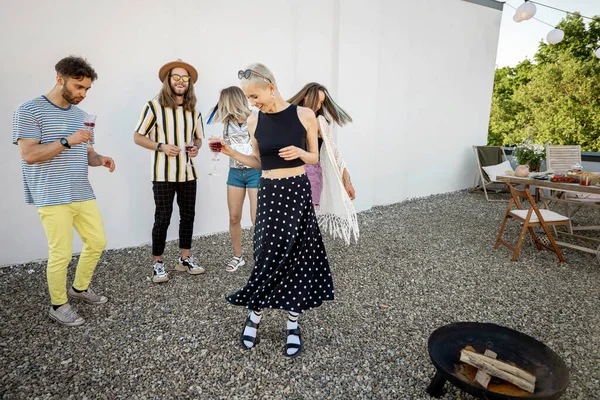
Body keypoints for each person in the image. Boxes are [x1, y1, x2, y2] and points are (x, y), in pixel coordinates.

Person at [221, 63, 334, 358]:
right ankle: (254, 315)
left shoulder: (305, 115)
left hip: (296, 190)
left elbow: (314, 156)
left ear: (271, 86)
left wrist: (299, 153)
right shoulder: (254, 121)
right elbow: (261, 162)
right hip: (269, 192)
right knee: (267, 253)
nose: (252, 103)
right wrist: (231, 153)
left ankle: (292, 324)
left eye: (255, 96)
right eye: (249, 98)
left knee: (297, 254)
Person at [12, 56, 115, 326]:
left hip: (81, 191)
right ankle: (58, 305)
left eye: (87, 89)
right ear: (60, 79)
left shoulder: (82, 117)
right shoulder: (29, 110)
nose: (83, 94)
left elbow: (87, 154)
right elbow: (30, 154)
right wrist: (67, 140)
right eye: (78, 87)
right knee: (61, 253)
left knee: (97, 242)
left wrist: (100, 159)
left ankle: (79, 289)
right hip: (51, 194)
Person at [133, 59, 205, 284]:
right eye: (176, 77)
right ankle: (158, 263)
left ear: (189, 83)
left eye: (185, 78)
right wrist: (160, 146)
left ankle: (185, 259)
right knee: (162, 217)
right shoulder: (153, 107)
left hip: (188, 173)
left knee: (188, 216)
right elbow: (138, 136)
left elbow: (198, 139)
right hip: (163, 174)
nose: (181, 81)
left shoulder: (194, 109)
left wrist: (195, 148)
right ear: (168, 81)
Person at [288, 83, 359, 245]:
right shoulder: (288, 116)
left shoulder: (320, 121)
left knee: (305, 220)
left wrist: (347, 181)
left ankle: (305, 256)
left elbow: (335, 153)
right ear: (305, 97)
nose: (318, 106)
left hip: (311, 174)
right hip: (288, 173)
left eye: (321, 103)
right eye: (316, 101)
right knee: (290, 219)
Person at [207, 86, 260, 272]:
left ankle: (261, 257)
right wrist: (219, 145)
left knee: (257, 219)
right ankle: (238, 256)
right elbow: (228, 147)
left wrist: (231, 150)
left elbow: (258, 148)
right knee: (234, 217)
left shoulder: (255, 117)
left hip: (255, 171)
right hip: (235, 173)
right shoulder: (227, 122)